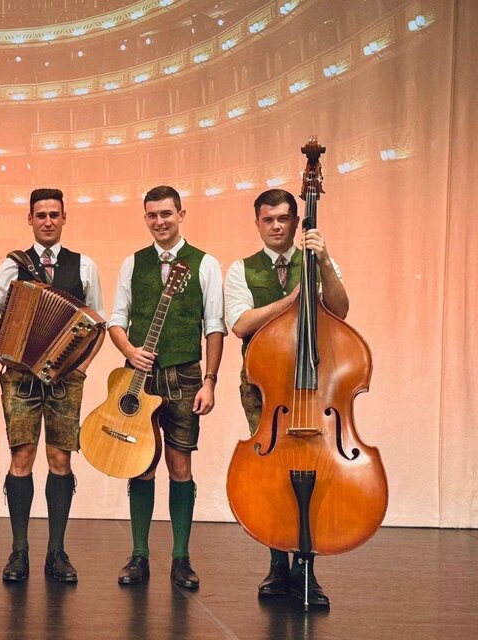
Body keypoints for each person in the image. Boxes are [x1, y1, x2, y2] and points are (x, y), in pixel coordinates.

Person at [223, 188, 348, 607]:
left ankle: (307, 567)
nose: (276, 226)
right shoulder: (240, 269)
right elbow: (240, 325)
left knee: (315, 472)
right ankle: (278, 566)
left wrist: (324, 259)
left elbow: (341, 308)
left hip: (315, 388)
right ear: (257, 223)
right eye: (268, 219)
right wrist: (291, 301)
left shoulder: (315, 262)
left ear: (297, 222)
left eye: (283, 218)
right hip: (264, 388)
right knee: (274, 476)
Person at [0, 188, 105, 583]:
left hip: (66, 380)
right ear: (30, 219)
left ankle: (57, 551)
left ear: (65, 217)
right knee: (20, 459)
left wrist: (82, 367)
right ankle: (19, 551)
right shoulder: (11, 265)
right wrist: (3, 354)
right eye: (41, 215)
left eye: (54, 214)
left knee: (61, 460)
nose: (48, 221)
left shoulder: (84, 265)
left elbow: (97, 324)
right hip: (20, 379)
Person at [107, 185, 225, 587]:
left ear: (181, 214)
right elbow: (116, 319)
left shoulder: (205, 264)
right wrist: (129, 348)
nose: (160, 221)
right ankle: (139, 554)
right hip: (139, 377)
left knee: (180, 465)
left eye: (167, 214)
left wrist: (209, 381)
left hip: (185, 375)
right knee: (138, 465)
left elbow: (213, 327)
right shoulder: (133, 263)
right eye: (152, 215)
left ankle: (180, 557)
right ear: (146, 218)